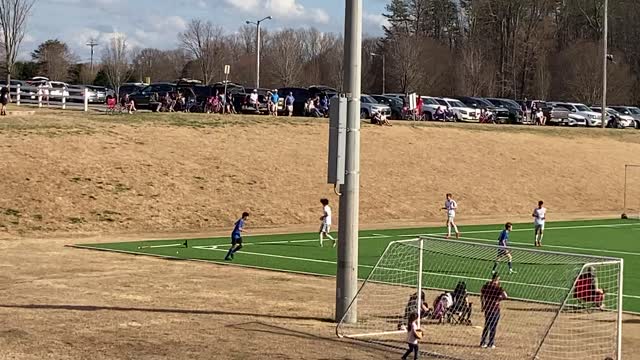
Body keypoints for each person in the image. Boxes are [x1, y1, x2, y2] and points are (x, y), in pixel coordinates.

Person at [480, 272, 508, 349]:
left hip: (488, 308)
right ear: (497, 279)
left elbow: (482, 295)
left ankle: (483, 342)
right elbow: (505, 295)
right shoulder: (497, 288)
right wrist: (499, 299)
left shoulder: (486, 286)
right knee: (493, 326)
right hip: (495, 309)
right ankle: (491, 343)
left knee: (487, 325)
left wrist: (483, 305)